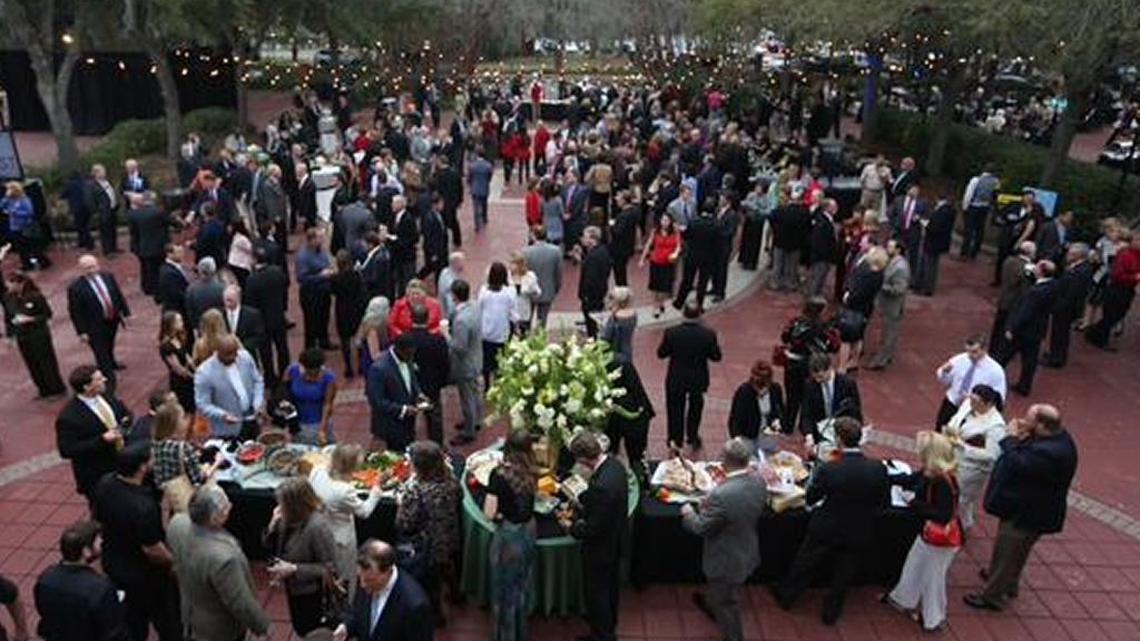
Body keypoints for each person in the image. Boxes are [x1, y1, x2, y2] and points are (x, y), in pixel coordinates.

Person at [773, 417, 889, 625]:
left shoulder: (830, 468)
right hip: (859, 530)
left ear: (839, 439)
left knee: (805, 563)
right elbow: (882, 501)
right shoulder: (878, 468)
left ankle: (787, 597)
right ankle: (831, 612)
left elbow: (811, 497)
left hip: (827, 526)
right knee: (844, 573)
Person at [964, 404, 1078, 611]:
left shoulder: (1049, 453)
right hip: (1027, 509)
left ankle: (993, 596)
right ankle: (1008, 582)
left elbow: (1017, 463)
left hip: (1026, 513)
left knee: (1007, 551)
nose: (1025, 422)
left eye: (1030, 420)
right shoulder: (1056, 439)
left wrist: (1010, 438)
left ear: (1042, 425)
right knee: (1017, 551)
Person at [681, 437, 768, 641]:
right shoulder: (758, 481)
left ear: (724, 460)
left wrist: (687, 513)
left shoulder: (722, 494)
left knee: (727, 604)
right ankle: (713, 601)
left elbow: (700, 527)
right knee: (724, 592)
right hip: (747, 548)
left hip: (726, 559)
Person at [92, 442, 180, 641]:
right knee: (166, 618)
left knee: (132, 619)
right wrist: (174, 563)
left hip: (114, 564)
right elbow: (153, 550)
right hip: (145, 574)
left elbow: (96, 518)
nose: (155, 461)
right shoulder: (144, 507)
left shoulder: (106, 483)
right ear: (141, 467)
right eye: (152, 458)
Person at [882, 431, 961, 632]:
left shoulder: (942, 481)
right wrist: (884, 476)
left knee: (933, 580)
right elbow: (909, 479)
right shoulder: (932, 472)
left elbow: (943, 515)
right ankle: (902, 599)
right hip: (928, 534)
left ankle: (932, 620)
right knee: (914, 564)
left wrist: (913, 502)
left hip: (939, 540)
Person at [175, 485, 271, 640]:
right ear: (214, 518)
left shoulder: (177, 524)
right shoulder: (224, 558)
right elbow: (240, 602)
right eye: (226, 506)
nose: (231, 506)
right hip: (219, 630)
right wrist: (263, 627)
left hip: (189, 613)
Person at [566, 431, 629, 641]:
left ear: (583, 458)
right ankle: (607, 625)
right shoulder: (615, 466)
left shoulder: (602, 487)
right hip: (617, 539)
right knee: (610, 590)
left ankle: (603, 635)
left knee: (597, 593)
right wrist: (584, 500)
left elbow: (592, 529)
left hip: (601, 549)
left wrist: (570, 526)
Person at [263, 477, 340, 637]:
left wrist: (294, 569)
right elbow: (268, 546)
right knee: (300, 626)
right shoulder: (285, 518)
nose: (278, 507)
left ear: (295, 506)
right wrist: (271, 526)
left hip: (313, 594)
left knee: (310, 630)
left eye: (282, 503)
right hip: (294, 588)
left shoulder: (317, 527)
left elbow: (330, 568)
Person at [396, 441, 462, 620]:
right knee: (447, 566)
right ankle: (456, 595)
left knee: (432, 581)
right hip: (449, 535)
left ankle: (437, 616)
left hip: (428, 544)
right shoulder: (451, 480)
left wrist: (400, 504)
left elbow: (405, 524)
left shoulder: (414, 490)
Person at [483, 430, 538, 641]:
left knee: (504, 589)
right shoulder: (532, 470)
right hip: (529, 531)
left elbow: (489, 513)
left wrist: (498, 513)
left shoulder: (498, 475)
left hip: (509, 537)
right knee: (522, 582)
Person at [35, 521, 131, 641]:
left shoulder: (45, 579)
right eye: (98, 540)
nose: (102, 541)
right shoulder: (101, 590)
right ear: (86, 551)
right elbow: (113, 631)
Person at [310, 444, 383, 595]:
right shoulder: (344, 490)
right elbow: (364, 511)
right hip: (340, 538)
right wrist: (376, 490)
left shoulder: (318, 471)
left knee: (327, 569)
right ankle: (346, 603)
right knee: (345, 574)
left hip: (320, 530)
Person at [331, 539, 434, 641]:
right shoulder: (366, 577)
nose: (362, 585)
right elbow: (357, 611)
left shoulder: (415, 606)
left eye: (369, 580)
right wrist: (346, 627)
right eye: (360, 577)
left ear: (387, 571)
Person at [56, 365, 132, 501]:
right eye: (99, 379)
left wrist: (127, 419)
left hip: (121, 461)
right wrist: (102, 440)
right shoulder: (69, 417)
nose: (104, 380)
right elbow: (66, 450)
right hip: (98, 472)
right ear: (86, 387)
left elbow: (122, 411)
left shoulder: (105, 395)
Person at [657, 302, 723, 451]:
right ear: (699, 314)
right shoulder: (709, 334)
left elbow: (661, 354)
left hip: (676, 377)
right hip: (698, 378)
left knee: (674, 408)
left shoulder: (671, 332)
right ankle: (692, 436)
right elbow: (716, 357)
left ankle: (675, 439)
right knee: (696, 407)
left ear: (683, 314)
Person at [943, 384, 1006, 530]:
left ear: (988, 404)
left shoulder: (996, 427)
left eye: (976, 402)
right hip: (953, 457)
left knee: (962, 499)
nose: (971, 404)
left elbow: (991, 455)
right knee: (950, 491)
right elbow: (957, 418)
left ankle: (963, 526)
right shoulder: (968, 404)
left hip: (971, 469)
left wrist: (963, 446)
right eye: (971, 399)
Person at [67, 254, 131, 389]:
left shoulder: (108, 276)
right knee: (101, 353)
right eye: (87, 268)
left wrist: (126, 313)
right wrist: (82, 331)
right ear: (81, 269)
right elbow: (75, 312)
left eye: (93, 266)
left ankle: (111, 361)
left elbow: (117, 295)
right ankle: (109, 380)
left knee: (109, 343)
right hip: (94, 326)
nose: (91, 270)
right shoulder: (75, 288)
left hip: (112, 319)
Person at [995, 260, 1055, 396]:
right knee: (1030, 360)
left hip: (1023, 331)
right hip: (1037, 330)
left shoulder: (1035, 292)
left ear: (1041, 271)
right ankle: (1025, 385)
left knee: (1004, 355)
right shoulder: (1053, 286)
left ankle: (992, 379)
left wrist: (1012, 328)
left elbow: (1024, 313)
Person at [4, 270, 65, 397]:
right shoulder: (8, 298)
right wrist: (10, 336)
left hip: (38, 334)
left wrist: (31, 319)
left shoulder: (35, 296)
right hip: (22, 335)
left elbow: (47, 314)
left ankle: (56, 388)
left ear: (20, 283)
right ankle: (43, 389)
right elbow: (8, 318)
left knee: (46, 362)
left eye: (11, 283)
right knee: (31, 363)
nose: (8, 286)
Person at [194, 335, 265, 439]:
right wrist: (222, 415)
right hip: (228, 429)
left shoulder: (245, 357)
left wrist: (258, 402)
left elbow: (257, 381)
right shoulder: (204, 373)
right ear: (217, 351)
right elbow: (202, 403)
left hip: (252, 419)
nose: (233, 357)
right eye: (228, 354)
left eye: (235, 353)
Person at [933, 336, 1007, 428]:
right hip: (952, 402)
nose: (970, 355)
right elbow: (945, 381)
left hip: (971, 410)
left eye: (975, 352)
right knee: (940, 427)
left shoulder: (995, 371)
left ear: (984, 350)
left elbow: (999, 397)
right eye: (968, 351)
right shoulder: (959, 359)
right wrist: (944, 372)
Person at [366, 333, 423, 452]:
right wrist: (403, 410)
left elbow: (412, 380)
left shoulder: (407, 358)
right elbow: (376, 401)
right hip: (390, 425)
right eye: (409, 354)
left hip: (407, 424)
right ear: (399, 350)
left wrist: (419, 394)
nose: (411, 357)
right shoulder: (379, 368)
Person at [1086, 229, 1140, 350]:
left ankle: (1095, 333)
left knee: (1119, 313)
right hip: (1118, 288)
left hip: (1128, 289)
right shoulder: (1125, 254)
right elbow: (1117, 274)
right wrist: (1135, 276)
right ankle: (1099, 338)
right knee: (1111, 314)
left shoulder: (1136, 255)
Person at [245, 247, 291, 382]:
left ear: (255, 260)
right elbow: (284, 291)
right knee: (282, 347)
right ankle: (285, 372)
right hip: (278, 316)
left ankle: (270, 377)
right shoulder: (277, 272)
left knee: (266, 352)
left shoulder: (252, 279)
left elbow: (250, 303)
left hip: (262, 321)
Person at [837, 247, 886, 372]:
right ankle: (854, 360)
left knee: (846, 339)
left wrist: (847, 298)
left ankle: (842, 366)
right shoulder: (879, 274)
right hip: (866, 309)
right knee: (858, 336)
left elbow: (857, 292)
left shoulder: (867, 275)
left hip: (854, 308)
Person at [605, 360, 655, 483]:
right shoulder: (635, 393)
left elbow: (611, 438)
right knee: (638, 458)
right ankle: (642, 482)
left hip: (627, 424)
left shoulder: (614, 400)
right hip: (639, 422)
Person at [1044, 243, 1093, 367]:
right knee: (1058, 332)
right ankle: (1055, 354)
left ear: (1078, 255)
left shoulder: (1080, 271)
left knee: (1060, 333)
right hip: (1065, 305)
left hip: (1066, 308)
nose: (1068, 256)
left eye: (1071, 254)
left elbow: (1072, 294)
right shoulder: (1078, 268)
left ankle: (1057, 358)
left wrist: (1057, 306)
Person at [408, 304, 450, 444]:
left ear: (411, 318)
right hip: (432, 385)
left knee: (409, 417)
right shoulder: (437, 340)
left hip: (411, 386)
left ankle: (408, 446)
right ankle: (437, 446)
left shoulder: (405, 339)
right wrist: (442, 382)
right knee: (434, 419)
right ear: (428, 318)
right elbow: (445, 364)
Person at [448, 280, 484, 446]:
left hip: (466, 364)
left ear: (454, 296)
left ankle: (469, 430)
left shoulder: (461, 320)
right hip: (477, 358)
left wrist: (446, 336)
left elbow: (459, 347)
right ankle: (476, 420)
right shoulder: (475, 307)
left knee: (467, 397)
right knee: (475, 392)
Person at [867, 239, 911, 370]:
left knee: (889, 333)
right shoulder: (893, 262)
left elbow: (899, 289)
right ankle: (886, 356)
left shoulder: (900, 268)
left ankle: (880, 361)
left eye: (890, 247)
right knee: (888, 332)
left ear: (898, 250)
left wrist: (882, 285)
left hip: (893, 306)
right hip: (888, 305)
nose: (887, 249)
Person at [799, 353, 863, 442]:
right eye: (815, 377)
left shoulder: (847, 384)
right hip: (819, 434)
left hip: (843, 434)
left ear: (829, 369)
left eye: (820, 377)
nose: (818, 380)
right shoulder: (810, 385)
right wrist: (808, 435)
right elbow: (806, 413)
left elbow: (855, 411)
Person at [283, 348, 339, 445]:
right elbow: (284, 394)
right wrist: (290, 422)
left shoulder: (329, 378)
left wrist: (322, 429)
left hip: (318, 422)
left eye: (316, 370)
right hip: (298, 423)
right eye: (308, 370)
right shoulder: (292, 371)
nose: (312, 374)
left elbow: (327, 404)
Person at [989, 240, 1035, 355]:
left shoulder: (1009, 260)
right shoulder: (1027, 268)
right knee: (1008, 327)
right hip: (1015, 302)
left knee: (998, 326)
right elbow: (1025, 288)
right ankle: (1002, 350)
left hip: (1004, 298)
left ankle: (993, 348)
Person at [479, 262, 517, 389]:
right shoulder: (509, 293)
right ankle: (498, 383)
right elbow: (513, 313)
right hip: (501, 331)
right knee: (500, 360)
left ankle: (487, 385)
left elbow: (480, 307)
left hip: (486, 331)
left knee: (486, 361)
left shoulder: (484, 291)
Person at [672, 205, 718, 311]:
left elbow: (686, 236)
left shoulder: (694, 222)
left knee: (687, 280)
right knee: (702, 282)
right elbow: (717, 243)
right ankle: (699, 305)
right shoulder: (716, 224)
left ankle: (679, 302)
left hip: (692, 255)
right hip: (708, 258)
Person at [330, 250, 367, 378]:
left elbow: (333, 291)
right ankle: (361, 365)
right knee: (359, 337)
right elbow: (362, 290)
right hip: (356, 308)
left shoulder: (335, 278)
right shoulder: (356, 275)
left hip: (342, 309)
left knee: (344, 340)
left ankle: (348, 367)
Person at [297, 227, 336, 350]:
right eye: (320, 237)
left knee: (324, 318)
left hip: (324, 292)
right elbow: (302, 278)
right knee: (311, 322)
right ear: (312, 240)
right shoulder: (303, 256)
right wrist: (321, 276)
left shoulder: (322, 251)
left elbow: (328, 263)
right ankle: (311, 347)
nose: (322, 240)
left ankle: (324, 342)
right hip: (310, 295)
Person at [767, 186, 811, 292]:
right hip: (796, 243)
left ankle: (775, 283)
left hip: (780, 240)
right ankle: (790, 284)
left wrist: (776, 231)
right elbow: (807, 227)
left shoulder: (780, 210)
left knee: (778, 264)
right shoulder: (803, 213)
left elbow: (771, 219)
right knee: (792, 266)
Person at [125, 192, 169, 299]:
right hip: (159, 247)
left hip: (142, 247)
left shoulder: (134, 214)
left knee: (147, 269)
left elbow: (134, 233)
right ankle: (159, 292)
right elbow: (170, 222)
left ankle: (148, 288)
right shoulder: (158, 212)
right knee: (158, 270)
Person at [728, 359, 785, 439]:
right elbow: (735, 419)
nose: (761, 390)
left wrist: (776, 421)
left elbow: (779, 411)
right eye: (758, 386)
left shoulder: (775, 389)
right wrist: (737, 438)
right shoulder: (744, 391)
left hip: (768, 435)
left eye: (765, 386)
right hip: (747, 436)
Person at [640, 212, 682, 318]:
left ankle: (661, 302)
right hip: (656, 261)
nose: (664, 222)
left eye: (667, 220)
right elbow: (649, 244)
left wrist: (676, 253)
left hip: (669, 263)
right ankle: (656, 306)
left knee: (665, 287)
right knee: (655, 286)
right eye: (663, 220)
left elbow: (678, 245)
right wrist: (642, 259)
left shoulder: (675, 232)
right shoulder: (655, 231)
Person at [524, 227, 563, 329]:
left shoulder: (527, 252)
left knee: (526, 318)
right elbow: (558, 273)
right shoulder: (556, 251)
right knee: (542, 321)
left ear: (534, 236)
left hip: (530, 291)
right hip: (547, 290)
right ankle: (539, 342)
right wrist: (556, 288)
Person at [913, 198, 954, 296]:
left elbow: (934, 227)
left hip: (933, 242)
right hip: (938, 243)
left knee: (929, 265)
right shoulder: (950, 211)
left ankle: (926, 287)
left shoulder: (941, 212)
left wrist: (924, 223)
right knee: (931, 264)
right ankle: (924, 286)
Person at [579, 226, 613, 338]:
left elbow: (591, 279)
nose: (582, 239)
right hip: (600, 292)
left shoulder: (593, 257)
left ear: (592, 239)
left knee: (591, 324)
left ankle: (593, 344)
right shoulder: (602, 251)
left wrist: (585, 296)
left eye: (585, 237)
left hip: (592, 297)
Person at [959, 165, 1000, 260]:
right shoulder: (996, 182)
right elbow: (995, 196)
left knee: (969, 230)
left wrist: (965, 206)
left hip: (974, 206)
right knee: (979, 231)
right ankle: (974, 253)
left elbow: (969, 194)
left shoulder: (976, 180)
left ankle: (964, 253)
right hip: (985, 208)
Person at [222, 284, 267, 364]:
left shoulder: (252, 315)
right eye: (226, 300)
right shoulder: (220, 315)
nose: (227, 304)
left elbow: (259, 336)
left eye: (230, 300)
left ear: (238, 299)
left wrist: (241, 346)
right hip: (226, 360)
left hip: (247, 358)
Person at [805, 198, 840, 298]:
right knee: (817, 278)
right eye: (834, 206)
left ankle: (816, 295)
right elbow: (818, 241)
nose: (836, 208)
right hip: (821, 257)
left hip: (824, 256)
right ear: (827, 208)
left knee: (821, 278)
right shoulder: (822, 222)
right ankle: (812, 299)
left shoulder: (826, 219)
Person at [711, 192, 742, 302]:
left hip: (724, 246)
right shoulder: (717, 211)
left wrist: (716, 231)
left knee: (721, 269)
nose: (720, 200)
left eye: (722, 198)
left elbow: (730, 232)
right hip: (714, 245)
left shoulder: (732, 215)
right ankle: (714, 288)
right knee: (714, 268)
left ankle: (720, 293)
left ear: (728, 201)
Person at [185, 256, 225, 333]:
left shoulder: (191, 289)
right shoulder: (222, 288)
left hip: (201, 327)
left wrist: (195, 327)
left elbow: (190, 312)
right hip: (219, 326)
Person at [608, 192, 640, 287]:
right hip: (628, 245)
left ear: (624, 201)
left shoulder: (623, 216)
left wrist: (612, 226)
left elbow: (618, 232)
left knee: (619, 271)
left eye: (619, 199)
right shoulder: (634, 211)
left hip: (619, 248)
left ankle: (622, 291)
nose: (617, 200)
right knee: (622, 270)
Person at [88, 164, 121, 255]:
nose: (104, 173)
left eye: (104, 171)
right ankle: (107, 251)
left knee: (113, 229)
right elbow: (90, 200)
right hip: (103, 212)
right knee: (105, 232)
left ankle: (114, 247)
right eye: (102, 171)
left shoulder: (107, 181)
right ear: (96, 173)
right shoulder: (92, 185)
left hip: (112, 209)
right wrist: (96, 211)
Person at [600, 286, 637, 364]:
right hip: (627, 353)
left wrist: (601, 328)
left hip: (615, 355)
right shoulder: (633, 315)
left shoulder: (615, 318)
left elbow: (606, 337)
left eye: (611, 298)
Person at [507, 251, 541, 335]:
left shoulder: (530, 276)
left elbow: (538, 292)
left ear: (519, 265)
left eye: (512, 263)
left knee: (523, 337)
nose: (510, 266)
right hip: (510, 313)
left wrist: (530, 292)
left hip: (524, 312)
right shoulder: (507, 276)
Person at [157, 243, 191, 317]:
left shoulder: (172, 268)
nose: (182, 255)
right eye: (178, 252)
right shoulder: (169, 273)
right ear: (169, 254)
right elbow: (177, 294)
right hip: (177, 311)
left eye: (182, 252)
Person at [467, 148, 494, 232]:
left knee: (475, 207)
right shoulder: (488, 165)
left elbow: (469, 178)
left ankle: (477, 224)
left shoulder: (472, 165)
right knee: (484, 204)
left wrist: (470, 184)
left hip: (475, 188)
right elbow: (490, 177)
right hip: (484, 187)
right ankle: (484, 218)